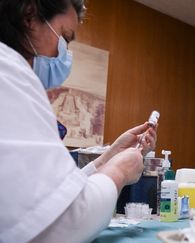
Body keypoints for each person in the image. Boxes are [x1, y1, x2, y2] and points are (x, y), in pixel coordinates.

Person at [0, 0, 157, 242]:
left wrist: (109, 156)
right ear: (29, 15)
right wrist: (120, 170)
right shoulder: (8, 71)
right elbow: (66, 222)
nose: (60, 54)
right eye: (64, 36)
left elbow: (54, 196)